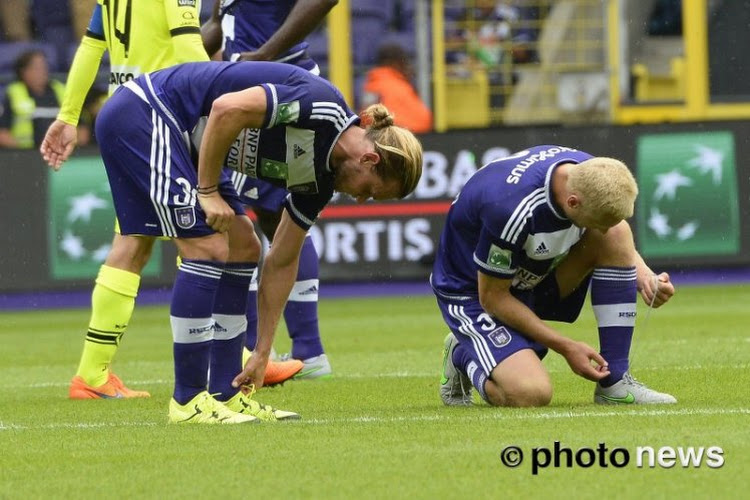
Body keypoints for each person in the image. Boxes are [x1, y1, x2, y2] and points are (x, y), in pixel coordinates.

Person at [90, 60, 422, 423]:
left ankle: (226, 393)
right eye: (370, 192)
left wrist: (263, 351)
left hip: (185, 142)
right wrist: (208, 191)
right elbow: (225, 108)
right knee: (208, 246)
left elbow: (281, 259)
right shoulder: (319, 105)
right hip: (146, 112)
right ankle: (187, 402)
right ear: (369, 159)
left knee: (244, 246)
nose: (360, 200)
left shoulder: (320, 182)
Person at [39, 0, 211, 399]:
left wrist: (68, 116)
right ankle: (233, 356)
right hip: (161, 116)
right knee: (206, 238)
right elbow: (188, 49)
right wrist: (231, 93)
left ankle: (92, 374)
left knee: (133, 243)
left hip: (123, 116)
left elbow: (90, 46)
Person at [432, 145, 677, 407]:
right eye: (596, 224)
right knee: (529, 394)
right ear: (572, 203)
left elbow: (614, 231)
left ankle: (614, 383)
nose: (602, 232)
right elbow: (493, 297)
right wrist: (566, 346)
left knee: (618, 233)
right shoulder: (510, 210)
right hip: (475, 294)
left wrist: (644, 275)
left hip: (529, 276)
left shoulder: (590, 174)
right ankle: (461, 354)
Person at [202, 0, 338, 379]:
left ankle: (306, 351)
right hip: (248, 92)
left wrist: (265, 53)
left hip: (285, 90)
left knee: (281, 214)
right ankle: (291, 350)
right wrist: (182, 62)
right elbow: (219, 22)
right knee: (261, 214)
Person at [360, 43, 433, 134]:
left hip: (409, 136)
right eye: (404, 62)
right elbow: (367, 118)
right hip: (398, 137)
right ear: (394, 63)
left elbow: (365, 118)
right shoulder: (376, 85)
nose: (407, 67)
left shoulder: (397, 83)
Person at [0, 50, 64, 148]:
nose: (43, 71)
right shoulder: (13, 93)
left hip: (60, 154)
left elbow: (81, 131)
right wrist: (26, 154)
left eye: (44, 67)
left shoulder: (61, 90)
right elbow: (3, 134)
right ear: (23, 72)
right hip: (25, 155)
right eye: (36, 68)